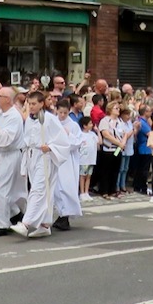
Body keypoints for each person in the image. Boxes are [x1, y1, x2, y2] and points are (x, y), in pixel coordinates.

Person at [12, 90, 71, 239]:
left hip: (44, 157)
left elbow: (63, 140)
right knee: (42, 191)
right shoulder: (30, 120)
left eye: (34, 104)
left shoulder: (50, 119)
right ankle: (45, 224)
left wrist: (50, 147)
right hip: (32, 156)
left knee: (38, 190)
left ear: (41, 104)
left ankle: (26, 223)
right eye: (29, 104)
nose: (31, 107)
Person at [0, 86, 27, 237]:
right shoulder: (1, 115)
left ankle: (2, 224)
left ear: (8, 99)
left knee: (2, 190)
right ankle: (14, 215)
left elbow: (7, 138)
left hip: (10, 156)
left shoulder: (14, 116)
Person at [51, 96, 84, 231]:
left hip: (68, 161)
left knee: (66, 188)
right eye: (60, 112)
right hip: (55, 158)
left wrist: (68, 135)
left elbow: (77, 142)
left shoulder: (73, 125)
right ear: (56, 111)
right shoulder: (53, 122)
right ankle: (61, 215)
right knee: (55, 189)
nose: (62, 115)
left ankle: (65, 217)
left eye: (65, 113)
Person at [77, 115, 98, 201]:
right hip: (83, 159)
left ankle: (86, 192)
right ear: (84, 125)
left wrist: (98, 131)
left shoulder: (92, 134)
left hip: (91, 158)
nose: (92, 125)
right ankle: (82, 192)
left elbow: (99, 141)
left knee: (89, 176)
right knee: (82, 176)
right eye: (90, 123)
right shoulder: (80, 134)